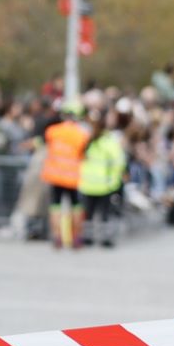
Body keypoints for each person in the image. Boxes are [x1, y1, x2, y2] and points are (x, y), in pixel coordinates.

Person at [40, 101, 92, 250]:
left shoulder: (53, 131)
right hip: (73, 177)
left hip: (55, 175)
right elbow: (83, 154)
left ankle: (57, 237)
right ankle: (76, 237)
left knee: (55, 206)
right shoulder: (81, 134)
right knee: (75, 207)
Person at [78, 106, 128, 248]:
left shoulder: (105, 142)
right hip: (97, 184)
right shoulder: (92, 142)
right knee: (92, 214)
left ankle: (102, 238)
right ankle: (91, 238)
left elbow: (118, 162)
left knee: (100, 214)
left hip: (102, 185)